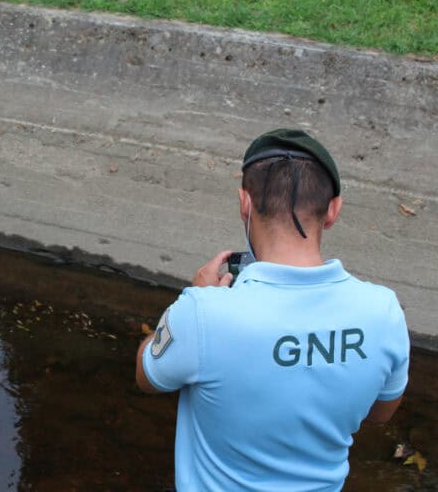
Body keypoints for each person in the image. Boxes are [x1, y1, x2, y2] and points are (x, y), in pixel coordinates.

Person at [135, 129, 410, 492]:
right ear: (333, 210)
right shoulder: (384, 312)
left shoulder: (202, 313)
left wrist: (192, 297)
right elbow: (380, 413)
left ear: (244, 203)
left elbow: (147, 375)